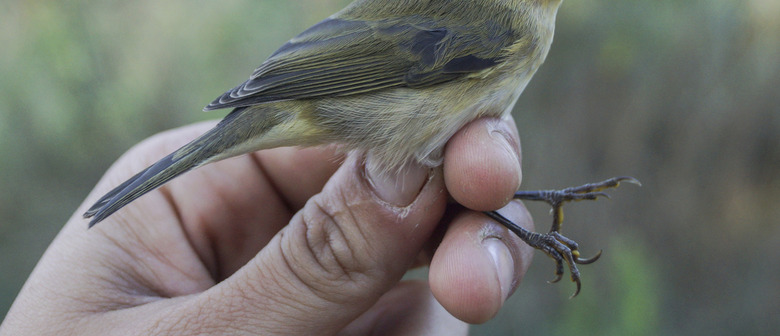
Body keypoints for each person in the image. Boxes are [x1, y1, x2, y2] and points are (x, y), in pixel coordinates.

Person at [0, 116, 532, 335]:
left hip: (331, 91)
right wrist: (329, 254)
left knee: (465, 183)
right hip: (341, 94)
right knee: (449, 180)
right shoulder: (505, 23)